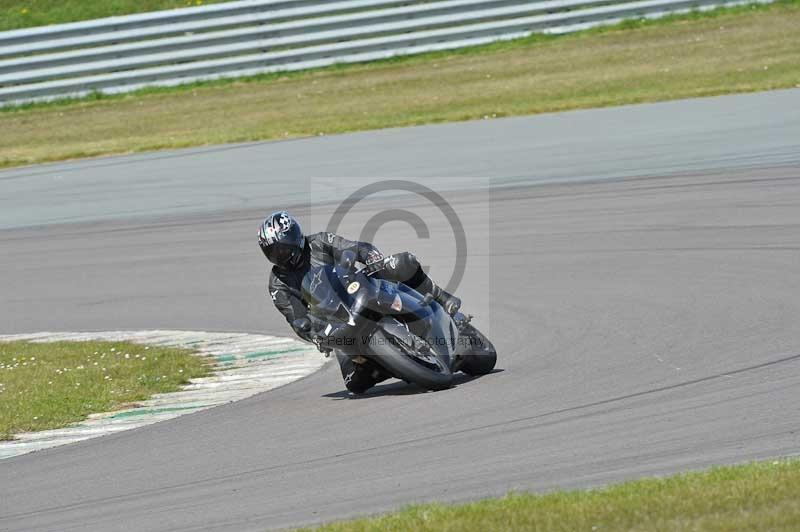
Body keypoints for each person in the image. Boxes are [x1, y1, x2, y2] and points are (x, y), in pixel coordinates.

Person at [258, 211, 461, 394]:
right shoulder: (277, 284)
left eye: (282, 249)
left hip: (359, 288)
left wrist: (369, 256)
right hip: (336, 321)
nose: (278, 256)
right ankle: (392, 365)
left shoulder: (319, 242)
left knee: (402, 262)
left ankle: (442, 298)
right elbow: (296, 318)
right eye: (272, 252)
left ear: (294, 238)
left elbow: (354, 247)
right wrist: (314, 336)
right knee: (355, 383)